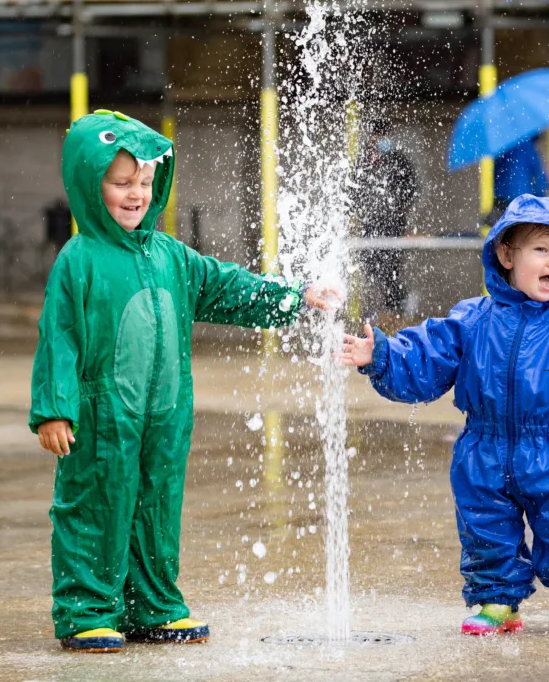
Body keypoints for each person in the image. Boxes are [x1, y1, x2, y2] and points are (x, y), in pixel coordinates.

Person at [30, 110, 338, 653]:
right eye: (121, 182)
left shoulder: (171, 254)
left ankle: (152, 602)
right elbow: (59, 338)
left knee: (156, 504)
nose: (136, 194)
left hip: (166, 414)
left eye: (145, 182)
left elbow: (227, 289)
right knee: (95, 505)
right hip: (102, 418)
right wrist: (55, 408)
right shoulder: (79, 259)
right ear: (88, 181)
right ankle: (85, 609)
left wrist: (294, 297)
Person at [340, 194, 549, 638]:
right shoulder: (472, 321)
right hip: (483, 448)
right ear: (506, 255)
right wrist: (380, 355)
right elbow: (427, 356)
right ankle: (497, 600)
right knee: (484, 530)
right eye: (541, 250)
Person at [351, 118, 418, 318]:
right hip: (369, 225)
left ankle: (397, 305)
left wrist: (400, 210)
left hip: (393, 225)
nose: (382, 140)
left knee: (389, 268)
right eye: (378, 137)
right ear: (372, 138)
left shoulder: (399, 161)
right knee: (369, 267)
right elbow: (352, 191)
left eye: (385, 136)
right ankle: (385, 308)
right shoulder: (362, 161)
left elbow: (411, 190)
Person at [483, 136, 548, 227]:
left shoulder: (502, 146)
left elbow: (496, 174)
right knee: (519, 232)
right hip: (522, 200)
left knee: (502, 230)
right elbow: (539, 178)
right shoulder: (528, 147)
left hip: (501, 198)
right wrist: (540, 196)